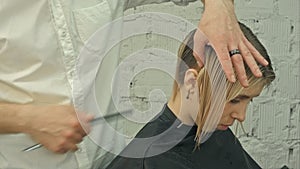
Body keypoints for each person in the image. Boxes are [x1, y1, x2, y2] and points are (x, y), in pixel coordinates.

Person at [0, 0, 269, 168]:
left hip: (103, 160)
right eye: (235, 99)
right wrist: (26, 118)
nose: (242, 116)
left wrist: (219, 6)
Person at [105, 22, 276, 169]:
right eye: (235, 100)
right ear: (192, 83)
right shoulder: (149, 160)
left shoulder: (215, 132)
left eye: (249, 101)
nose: (241, 116)